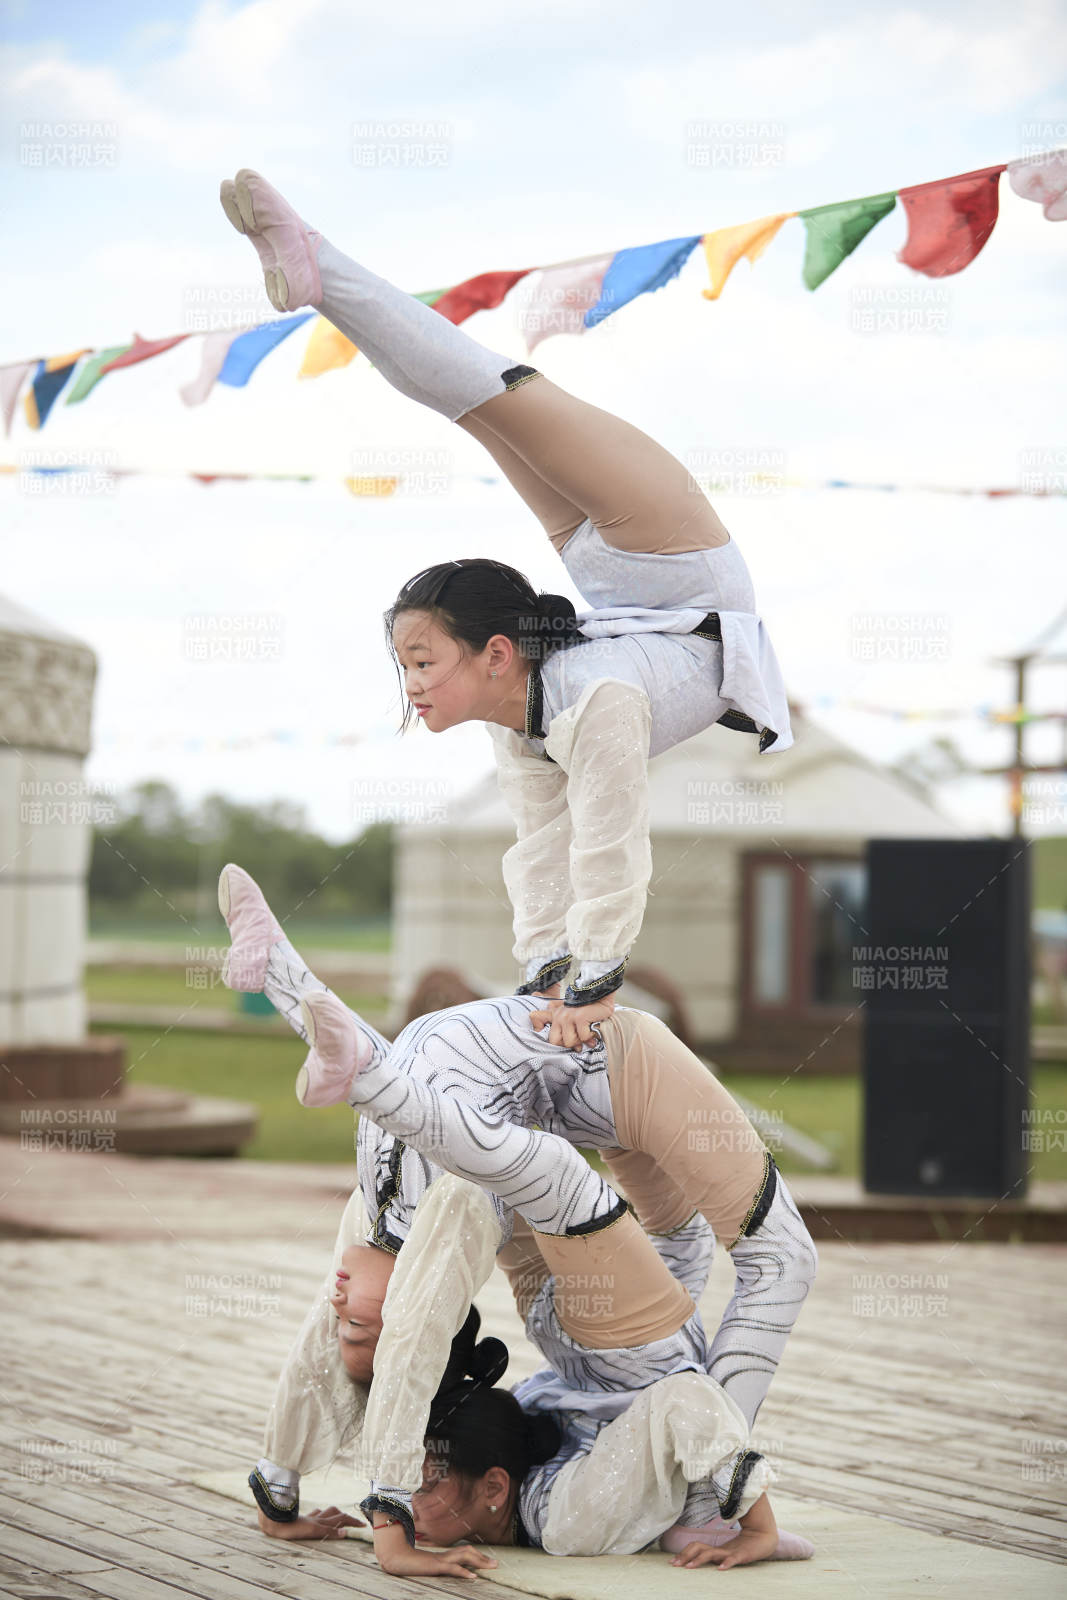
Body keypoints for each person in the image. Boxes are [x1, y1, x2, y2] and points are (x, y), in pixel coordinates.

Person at [218, 168, 793, 1050]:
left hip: (637, 579)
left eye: (417, 662)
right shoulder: (553, 709)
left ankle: (320, 270)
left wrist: (583, 985)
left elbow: (590, 850)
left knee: (477, 398)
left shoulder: (552, 702)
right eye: (407, 666)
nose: (409, 686)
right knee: (481, 395)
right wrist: (554, 977)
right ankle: (318, 268)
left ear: (494, 655)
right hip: (680, 578)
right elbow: (560, 846)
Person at [219, 866, 816, 1569]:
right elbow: (407, 1346)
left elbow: (338, 1354)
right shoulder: (436, 1231)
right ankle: (705, 1503)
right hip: (574, 1091)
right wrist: (386, 1518)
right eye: (359, 1322)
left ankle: (324, 1023)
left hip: (572, 1073)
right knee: (754, 1257)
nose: (341, 1302)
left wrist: (280, 1490)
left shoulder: (366, 1220)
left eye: (345, 1315)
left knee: (720, 1250)